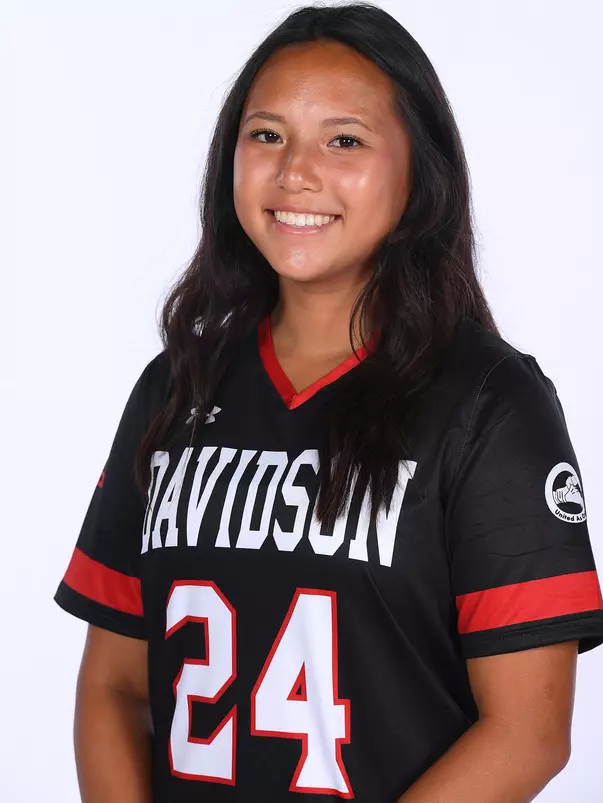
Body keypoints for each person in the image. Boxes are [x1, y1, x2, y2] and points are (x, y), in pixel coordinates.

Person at [54, 3, 603, 802]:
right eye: (266, 134)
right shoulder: (176, 386)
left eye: (343, 139)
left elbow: (527, 733)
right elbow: (114, 687)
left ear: (421, 169)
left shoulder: (490, 404)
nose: (295, 172)